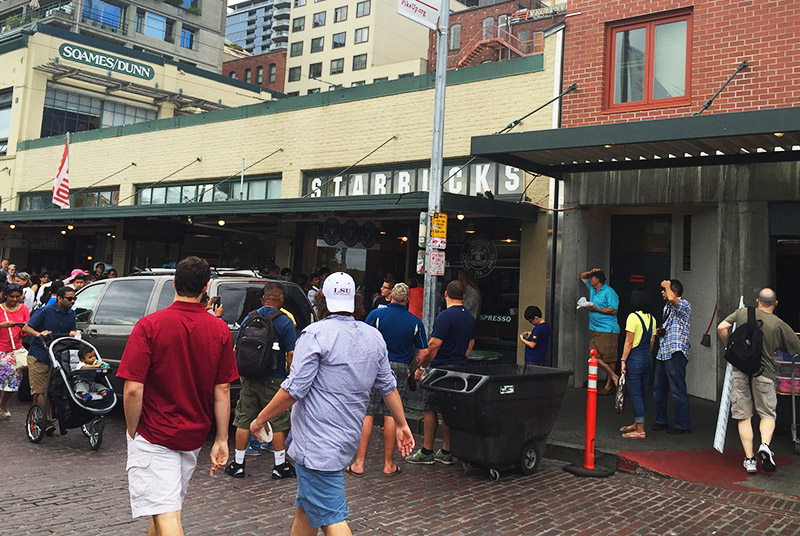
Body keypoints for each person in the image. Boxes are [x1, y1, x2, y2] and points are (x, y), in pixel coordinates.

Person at [248, 272, 414, 535]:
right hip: (344, 436)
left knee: (332, 517)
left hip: (316, 442)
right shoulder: (373, 337)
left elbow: (294, 389)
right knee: (306, 507)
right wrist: (403, 423)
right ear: (355, 301)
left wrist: (260, 419)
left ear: (322, 299)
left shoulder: (315, 334)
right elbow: (388, 387)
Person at [117, 256, 239, 534]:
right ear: (205, 287)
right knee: (162, 509)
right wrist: (221, 438)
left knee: (167, 515)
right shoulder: (219, 329)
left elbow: (133, 388)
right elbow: (222, 389)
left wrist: (133, 429)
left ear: (174, 283)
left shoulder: (150, 325)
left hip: (154, 432)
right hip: (192, 434)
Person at [348, 282, 428, 477]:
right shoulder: (414, 322)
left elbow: (361, 339)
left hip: (375, 364)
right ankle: (388, 464)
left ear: (390, 297)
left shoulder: (376, 315)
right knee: (392, 414)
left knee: (367, 412)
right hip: (400, 367)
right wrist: (413, 367)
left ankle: (359, 463)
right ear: (408, 300)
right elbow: (424, 352)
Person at [717, 288, 800, 475]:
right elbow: (795, 347)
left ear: (757, 301)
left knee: (744, 416)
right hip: (764, 373)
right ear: (776, 303)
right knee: (767, 414)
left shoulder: (742, 312)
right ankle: (764, 445)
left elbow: (722, 327)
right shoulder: (778, 324)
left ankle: (750, 460)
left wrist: (730, 347)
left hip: (740, 371)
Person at [225, 282, 297, 480]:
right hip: (274, 378)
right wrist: (290, 375)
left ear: (263, 299)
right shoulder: (284, 321)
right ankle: (279, 466)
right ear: (280, 299)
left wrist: (242, 373)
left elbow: (235, 349)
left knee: (244, 420)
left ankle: (238, 464)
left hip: (250, 377)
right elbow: (291, 352)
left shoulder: (250, 318)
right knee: (278, 421)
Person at [406, 280, 475, 466]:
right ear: (463, 296)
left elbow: (434, 344)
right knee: (450, 410)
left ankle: (427, 450)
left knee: (430, 408)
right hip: (459, 369)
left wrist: (421, 367)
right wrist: (461, 357)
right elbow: (470, 343)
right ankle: (447, 450)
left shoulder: (445, 316)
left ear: (445, 294)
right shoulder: (469, 318)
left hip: (441, 368)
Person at [23, 286, 77, 434]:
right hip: (39, 355)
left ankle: (37, 415)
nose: (72, 301)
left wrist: (73, 333)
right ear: (59, 298)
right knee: (40, 391)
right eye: (69, 299)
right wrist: (39, 334)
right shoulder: (45, 311)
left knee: (54, 390)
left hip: (58, 357)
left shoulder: (71, 314)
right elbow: (26, 328)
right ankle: (46, 419)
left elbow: (73, 330)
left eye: (74, 299)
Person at [653, 279, 692, 434]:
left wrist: (667, 285)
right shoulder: (667, 308)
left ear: (674, 291)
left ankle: (682, 424)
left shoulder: (684, 304)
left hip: (675, 351)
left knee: (677, 389)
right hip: (663, 351)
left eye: (664, 290)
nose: (662, 292)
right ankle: (661, 420)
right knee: (658, 388)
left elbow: (672, 298)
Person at [618, 289, 656, 439]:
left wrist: (623, 360)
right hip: (647, 356)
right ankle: (638, 422)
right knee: (643, 391)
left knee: (635, 393)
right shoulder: (652, 319)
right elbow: (652, 341)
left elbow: (629, 341)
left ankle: (640, 429)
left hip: (635, 357)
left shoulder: (632, 317)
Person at [579, 269, 620, 395]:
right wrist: (591, 271)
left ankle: (609, 385)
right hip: (596, 328)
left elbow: (613, 310)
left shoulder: (609, 292)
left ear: (598, 279)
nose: (590, 279)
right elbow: (581, 276)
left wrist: (596, 309)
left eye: (592, 277)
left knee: (609, 358)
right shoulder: (592, 289)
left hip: (608, 328)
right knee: (594, 355)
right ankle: (614, 377)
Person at [0, 283, 31, 419]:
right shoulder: (0, 309)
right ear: (6, 295)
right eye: (11, 296)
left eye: (17, 297)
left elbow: (27, 329)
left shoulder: (24, 309)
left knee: (12, 384)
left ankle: (2, 403)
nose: (14, 299)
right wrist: (2, 325)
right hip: (0, 349)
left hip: (15, 351)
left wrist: (23, 327)